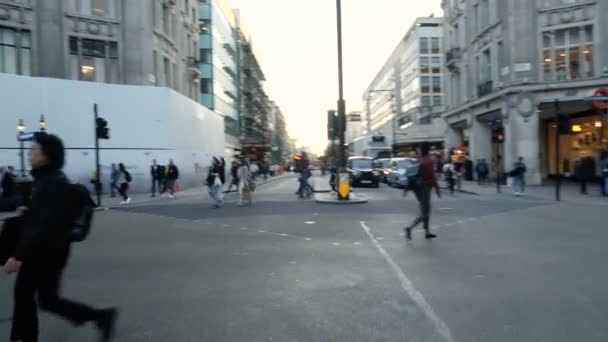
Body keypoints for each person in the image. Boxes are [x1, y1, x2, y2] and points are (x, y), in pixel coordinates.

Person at [3, 132, 118, 342]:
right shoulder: (47, 179)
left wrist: (18, 256)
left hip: (44, 252)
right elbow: (44, 217)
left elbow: (41, 225)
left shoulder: (50, 183)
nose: (29, 155)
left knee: (25, 293)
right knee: (47, 300)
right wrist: (27, 212)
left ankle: (24, 337)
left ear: (46, 155)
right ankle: (100, 316)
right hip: (53, 250)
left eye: (33, 151)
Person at [404, 142, 440, 240]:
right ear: (428, 150)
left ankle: (427, 232)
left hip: (417, 189)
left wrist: (407, 188)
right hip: (425, 188)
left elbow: (411, 176)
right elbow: (432, 176)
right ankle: (409, 228)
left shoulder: (418, 161)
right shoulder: (429, 161)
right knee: (425, 212)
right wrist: (437, 188)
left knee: (425, 210)